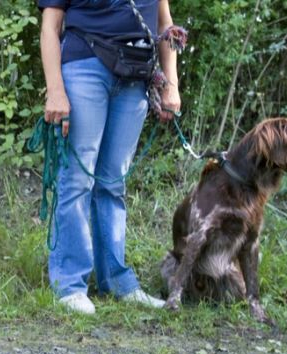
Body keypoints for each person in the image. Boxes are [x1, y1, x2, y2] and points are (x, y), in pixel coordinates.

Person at [38, 0, 181, 314]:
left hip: (135, 76)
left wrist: (171, 84)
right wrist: (55, 90)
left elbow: (165, 26)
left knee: (113, 183)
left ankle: (116, 281)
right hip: (84, 67)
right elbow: (50, 27)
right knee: (77, 177)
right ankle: (70, 285)